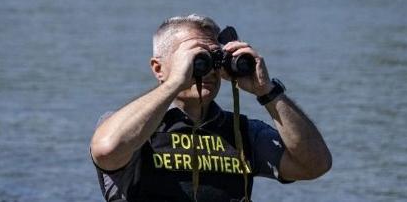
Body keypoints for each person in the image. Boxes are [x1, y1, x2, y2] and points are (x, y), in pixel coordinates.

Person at [90, 14, 332, 202]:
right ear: (158, 69)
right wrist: (175, 82)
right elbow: (107, 150)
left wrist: (267, 91)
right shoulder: (131, 129)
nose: (207, 71)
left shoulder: (244, 132)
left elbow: (314, 165)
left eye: (213, 60)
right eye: (197, 60)